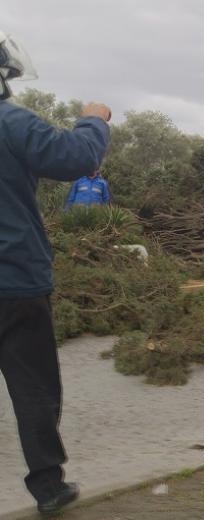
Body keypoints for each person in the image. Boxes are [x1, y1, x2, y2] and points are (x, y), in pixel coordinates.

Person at [0, 31, 111, 514]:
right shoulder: (9, 121)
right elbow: (73, 158)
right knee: (34, 388)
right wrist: (94, 120)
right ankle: (48, 487)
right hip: (15, 281)